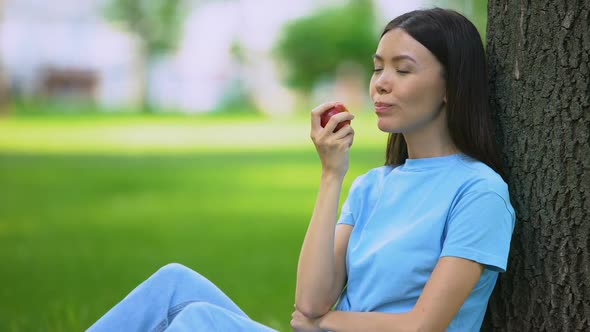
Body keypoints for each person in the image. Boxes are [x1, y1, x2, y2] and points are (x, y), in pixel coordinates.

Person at [87, 8, 515, 332]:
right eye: (377, 66)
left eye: (403, 69)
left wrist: (328, 324)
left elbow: (423, 325)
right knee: (174, 283)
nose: (381, 82)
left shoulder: (478, 192)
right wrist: (332, 175)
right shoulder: (373, 186)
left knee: (198, 319)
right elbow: (310, 302)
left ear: (450, 86)